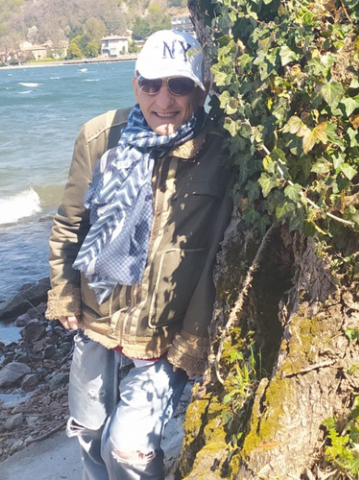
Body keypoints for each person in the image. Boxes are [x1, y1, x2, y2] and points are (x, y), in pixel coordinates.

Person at [45, 29, 233, 480]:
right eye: (151, 85)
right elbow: (71, 222)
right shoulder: (98, 138)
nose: (163, 100)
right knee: (90, 430)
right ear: (135, 85)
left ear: (201, 90)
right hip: (97, 315)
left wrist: (193, 338)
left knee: (127, 449)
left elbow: (218, 254)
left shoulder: (222, 153)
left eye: (179, 85)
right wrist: (64, 293)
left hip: (163, 331)